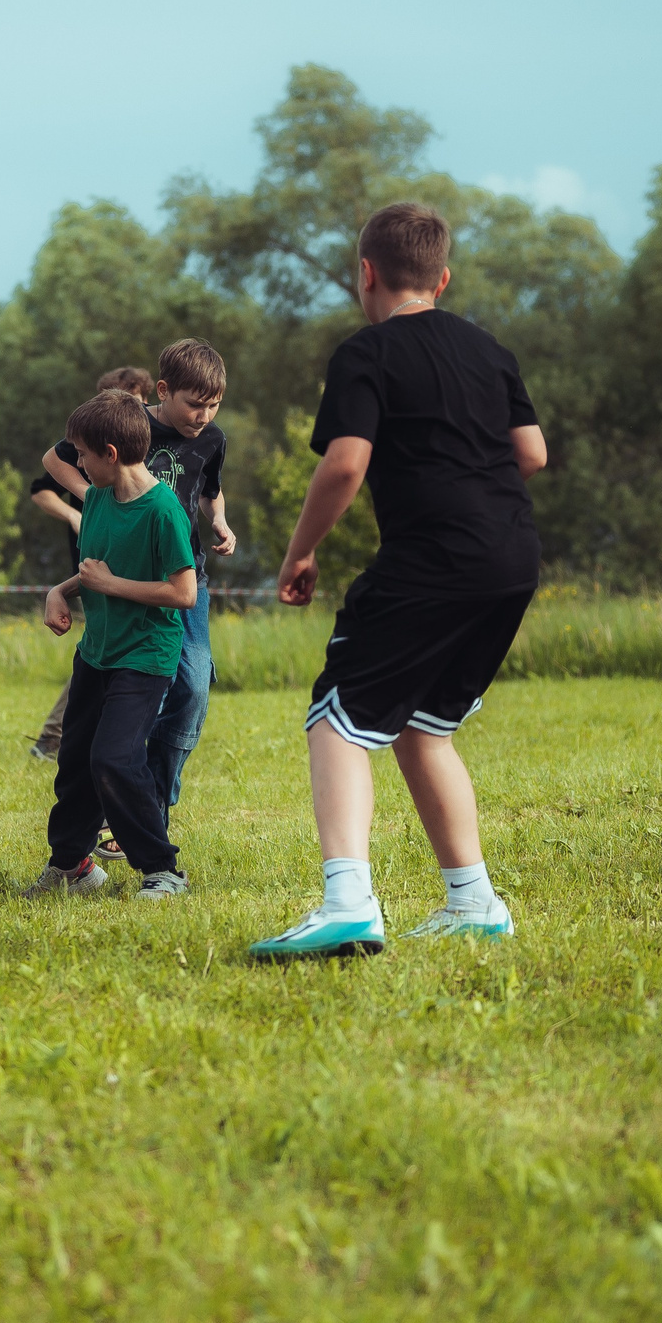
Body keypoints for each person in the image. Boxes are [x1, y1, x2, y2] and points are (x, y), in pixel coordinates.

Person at [251, 203, 545, 959]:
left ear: (366, 274)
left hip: (434, 559)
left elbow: (346, 462)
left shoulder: (367, 353)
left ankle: (347, 900)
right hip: (512, 557)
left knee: (335, 716)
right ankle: (474, 901)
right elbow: (533, 451)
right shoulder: (490, 349)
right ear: (442, 279)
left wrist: (300, 553)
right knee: (423, 727)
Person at [40, 340, 235, 812]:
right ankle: (118, 797)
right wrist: (93, 497)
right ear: (163, 391)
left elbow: (210, 490)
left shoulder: (213, 439)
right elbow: (54, 459)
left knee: (191, 691)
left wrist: (220, 521)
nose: (203, 415)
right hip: (126, 576)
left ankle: (154, 801)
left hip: (185, 579)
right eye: (194, 404)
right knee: (122, 690)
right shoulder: (127, 424)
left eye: (213, 405)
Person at [30, 390, 200, 900]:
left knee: (115, 759)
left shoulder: (162, 511)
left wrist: (108, 586)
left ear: (108, 453)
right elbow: (95, 569)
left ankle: (163, 870)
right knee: (76, 761)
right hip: (97, 652)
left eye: (81, 453)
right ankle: (72, 866)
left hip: (145, 657)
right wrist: (61, 589)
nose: (75, 463)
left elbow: (184, 592)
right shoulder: (100, 498)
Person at [27, 366, 152, 766]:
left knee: (119, 651)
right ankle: (57, 737)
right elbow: (43, 484)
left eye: (131, 401)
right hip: (94, 559)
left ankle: (95, 737)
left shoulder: (149, 447)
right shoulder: (88, 451)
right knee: (102, 647)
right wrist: (80, 508)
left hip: (142, 557)